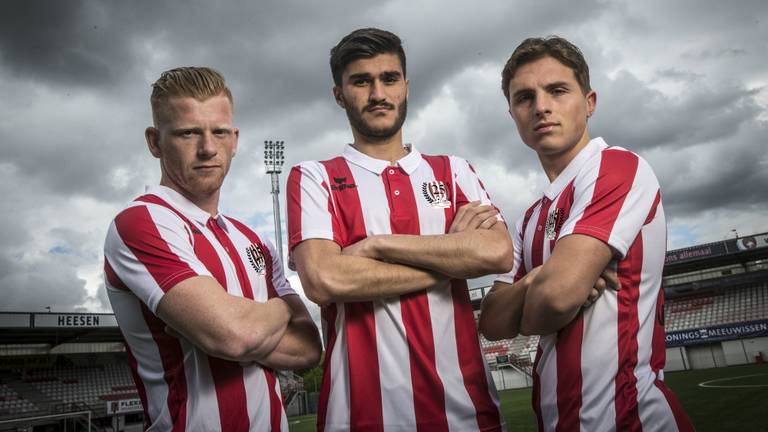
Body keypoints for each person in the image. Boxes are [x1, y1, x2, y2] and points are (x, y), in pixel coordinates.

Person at [287, 28, 511, 431]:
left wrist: (374, 246)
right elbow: (323, 280)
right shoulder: (314, 177)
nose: (378, 93)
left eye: (389, 79)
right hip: (359, 418)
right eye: (361, 81)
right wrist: (452, 255)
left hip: (467, 414)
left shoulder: (453, 170)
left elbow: (497, 253)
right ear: (339, 95)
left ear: (405, 86)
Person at [479, 37, 694, 431]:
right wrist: (543, 277)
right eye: (524, 98)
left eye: (557, 91)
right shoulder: (530, 217)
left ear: (590, 102)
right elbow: (492, 322)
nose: (541, 107)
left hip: (631, 418)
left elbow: (556, 300)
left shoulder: (617, 167)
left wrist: (542, 289)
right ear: (512, 114)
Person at [104, 67, 321, 431]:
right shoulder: (141, 222)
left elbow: (308, 349)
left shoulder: (254, 241)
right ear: (155, 141)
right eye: (188, 133)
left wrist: (234, 328)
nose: (207, 148)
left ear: (234, 139)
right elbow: (232, 336)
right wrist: (279, 310)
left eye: (219, 132)